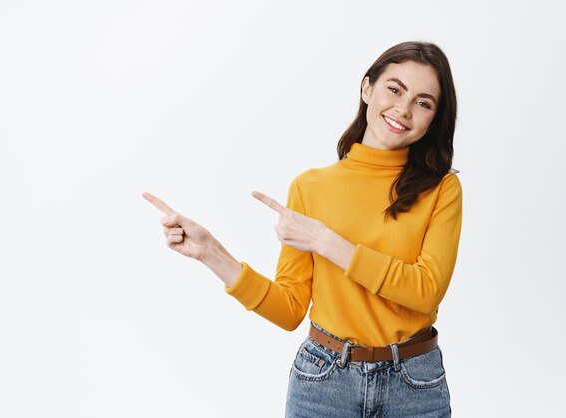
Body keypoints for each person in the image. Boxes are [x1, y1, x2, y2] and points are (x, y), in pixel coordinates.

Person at [143, 40, 462, 418]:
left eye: (423, 103)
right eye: (395, 89)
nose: (403, 109)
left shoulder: (441, 189)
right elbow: (291, 309)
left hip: (414, 384)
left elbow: (425, 292)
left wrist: (327, 242)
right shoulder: (310, 187)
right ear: (367, 88)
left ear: (434, 118)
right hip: (324, 382)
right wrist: (211, 253)